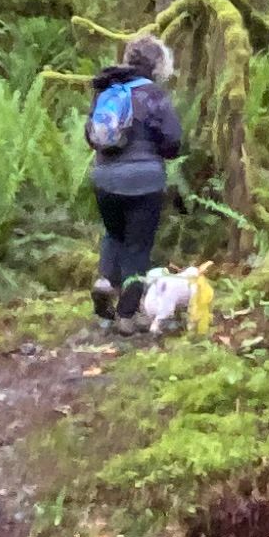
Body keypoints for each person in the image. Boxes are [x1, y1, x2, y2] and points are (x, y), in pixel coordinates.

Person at [83, 31, 187, 324]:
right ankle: (127, 315)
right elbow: (172, 141)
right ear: (156, 65)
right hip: (145, 181)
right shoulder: (153, 95)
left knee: (114, 234)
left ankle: (105, 281)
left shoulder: (106, 91)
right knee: (138, 245)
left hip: (105, 178)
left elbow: (90, 137)